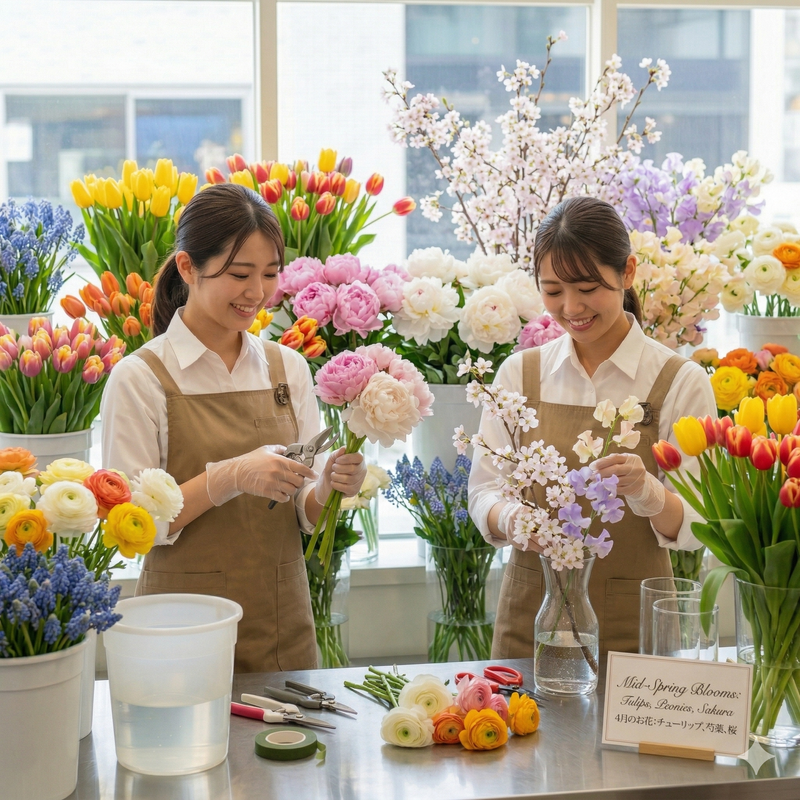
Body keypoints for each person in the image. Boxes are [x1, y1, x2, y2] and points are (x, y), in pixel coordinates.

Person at [101, 183, 366, 673]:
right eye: (240, 274)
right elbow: (134, 526)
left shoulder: (288, 368)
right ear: (188, 267)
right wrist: (230, 476)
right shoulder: (140, 378)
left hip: (280, 620)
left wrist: (329, 485)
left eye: (269, 273)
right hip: (182, 627)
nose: (257, 293)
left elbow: (302, 511)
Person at [468, 196, 716, 659]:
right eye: (553, 291)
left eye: (587, 288)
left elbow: (701, 524)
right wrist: (511, 518)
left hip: (634, 622)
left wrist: (647, 492)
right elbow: (483, 490)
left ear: (628, 272)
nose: (571, 307)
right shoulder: (519, 375)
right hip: (530, 613)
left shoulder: (679, 381)